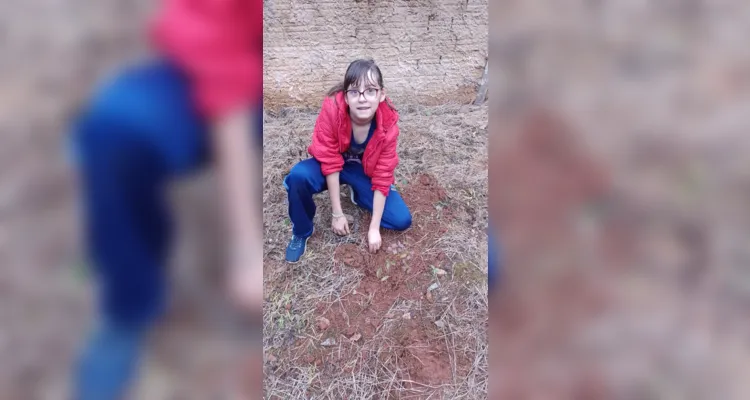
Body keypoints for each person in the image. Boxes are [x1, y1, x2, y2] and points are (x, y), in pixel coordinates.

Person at [68, 0, 263, 398]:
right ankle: (130, 301)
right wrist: (246, 247)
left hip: (335, 71)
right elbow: (225, 68)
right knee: (114, 133)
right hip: (236, 60)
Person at [284, 58, 413, 263]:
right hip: (333, 165)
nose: (362, 98)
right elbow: (329, 159)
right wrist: (337, 213)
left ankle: (358, 193)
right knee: (298, 177)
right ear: (346, 96)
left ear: (381, 95)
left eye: (370, 90)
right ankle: (301, 232)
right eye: (354, 91)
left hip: (362, 170)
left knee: (401, 219)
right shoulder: (332, 110)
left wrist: (374, 228)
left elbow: (383, 173)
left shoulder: (389, 124)